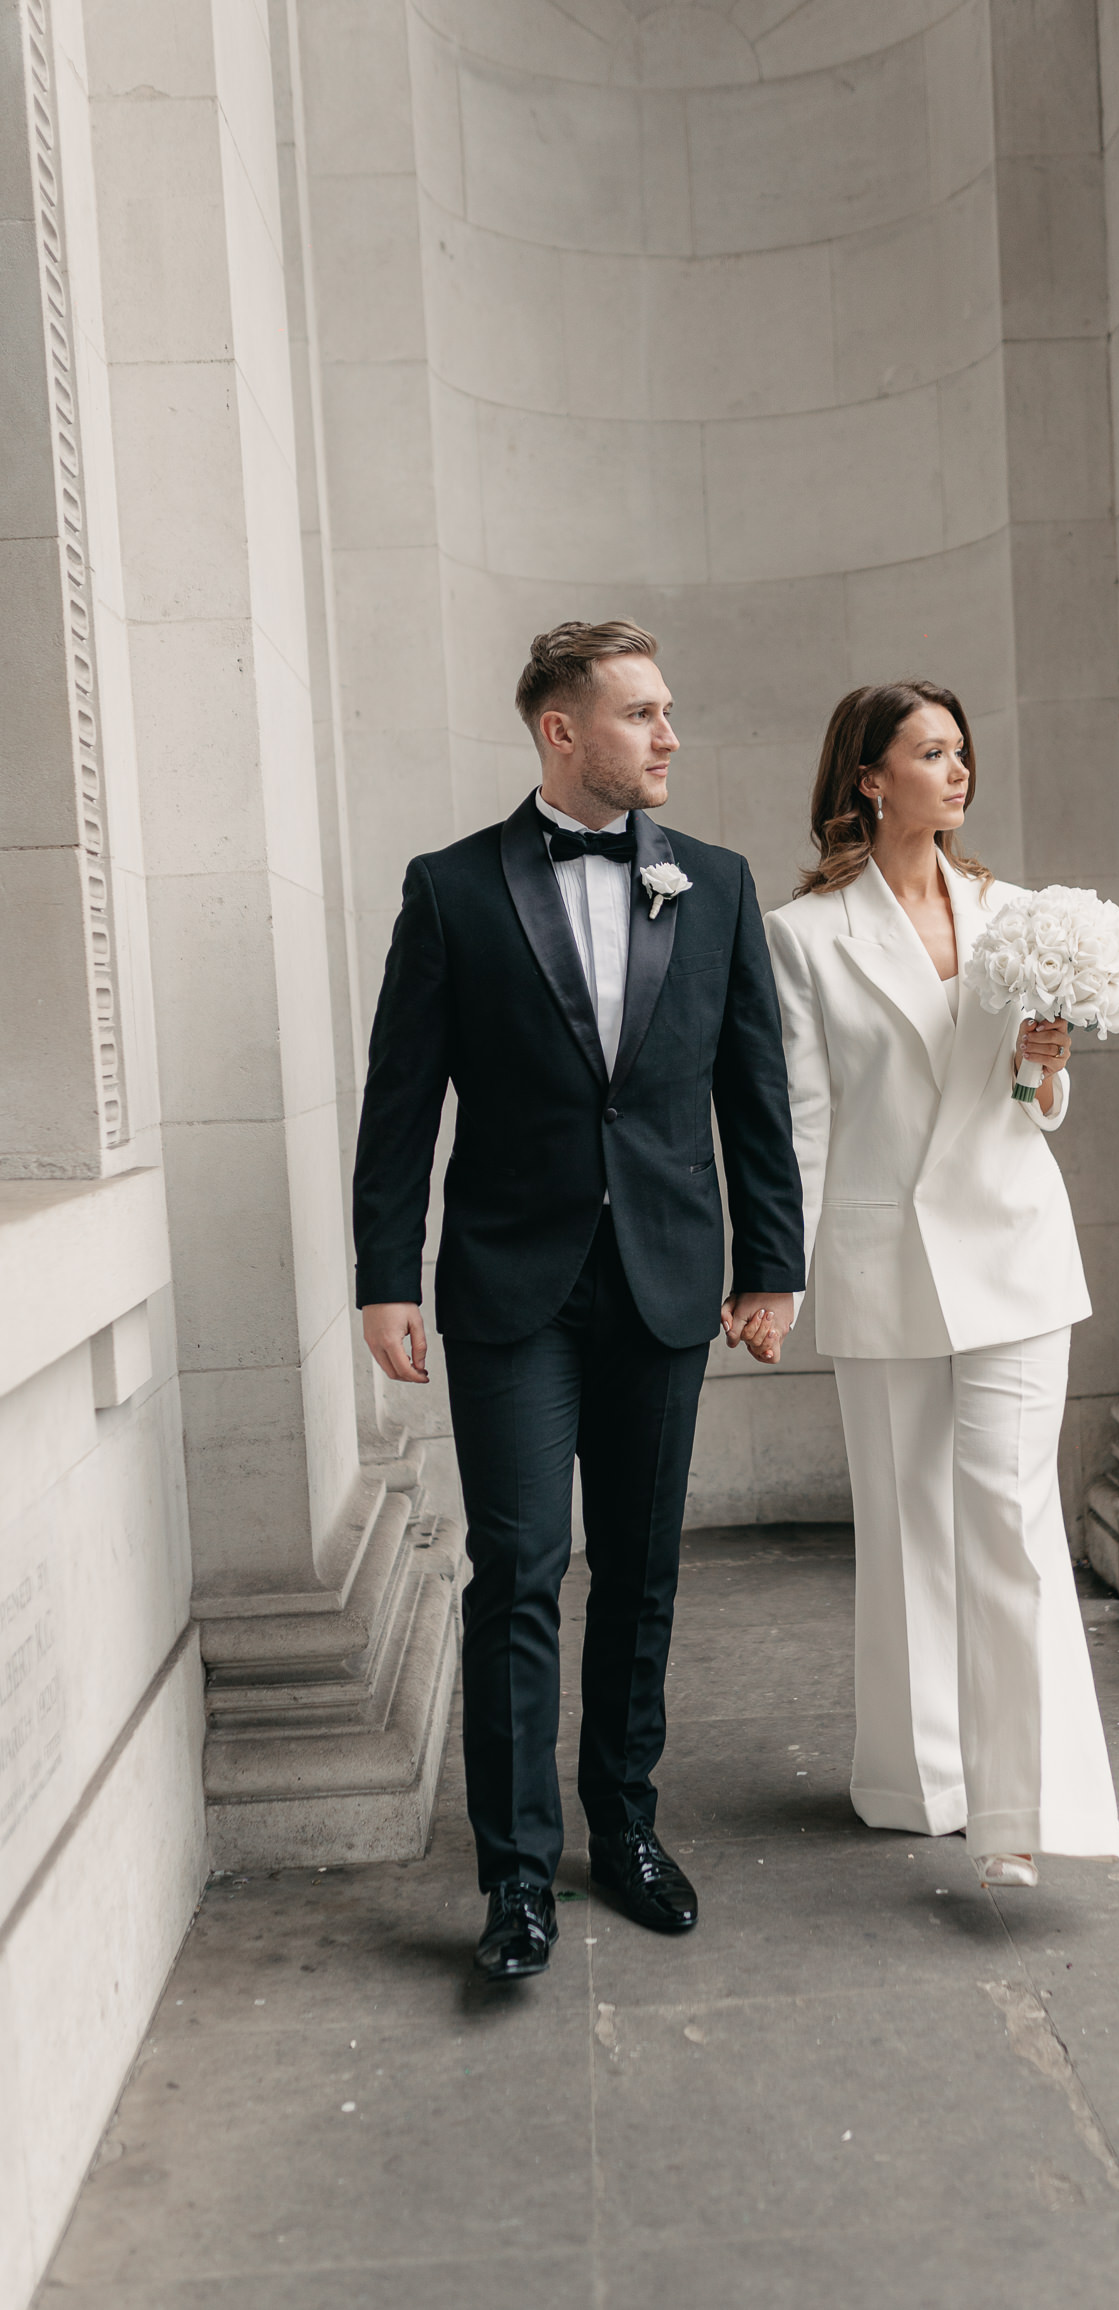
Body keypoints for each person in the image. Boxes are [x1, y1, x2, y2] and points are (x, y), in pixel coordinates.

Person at [353, 620, 803, 1982]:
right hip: (508, 1291)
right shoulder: (452, 889)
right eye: (642, 713)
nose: (669, 735)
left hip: (666, 1280)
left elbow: (755, 1093)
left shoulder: (713, 884)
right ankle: (514, 1878)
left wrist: (768, 1261)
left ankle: (626, 1826)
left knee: (645, 1569)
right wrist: (385, 1277)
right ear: (562, 731)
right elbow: (398, 1103)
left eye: (668, 711)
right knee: (521, 1568)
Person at [765, 681, 1119, 1885]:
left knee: (1012, 1523)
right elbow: (803, 1119)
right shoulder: (801, 936)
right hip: (882, 1263)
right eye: (931, 752)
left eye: (962, 752)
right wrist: (777, 1273)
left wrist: (1044, 1065)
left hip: (1014, 1250)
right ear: (869, 777)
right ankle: (916, 1781)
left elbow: (1035, 1111)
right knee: (907, 1528)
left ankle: (1017, 1815)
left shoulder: (1018, 915)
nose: (958, 772)